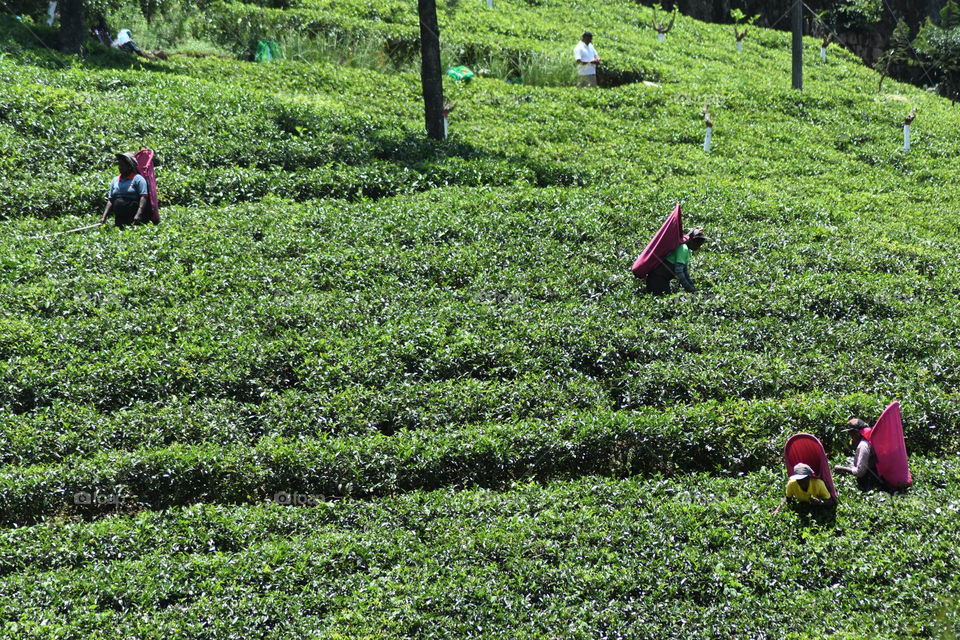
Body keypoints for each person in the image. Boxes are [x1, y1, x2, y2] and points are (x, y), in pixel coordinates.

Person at [645, 228, 708, 294]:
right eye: (698, 243)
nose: (699, 246)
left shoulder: (687, 250)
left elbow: (685, 271)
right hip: (657, 279)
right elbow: (679, 272)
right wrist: (689, 289)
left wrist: (693, 287)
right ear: (691, 241)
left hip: (659, 278)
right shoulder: (683, 248)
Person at [101, 153, 149, 227]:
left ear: (129, 166)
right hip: (119, 218)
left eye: (122, 165)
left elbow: (144, 196)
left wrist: (138, 214)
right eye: (119, 165)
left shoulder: (138, 179)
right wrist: (104, 217)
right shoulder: (115, 180)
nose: (120, 167)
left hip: (133, 217)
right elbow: (110, 200)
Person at [834, 418, 883, 490]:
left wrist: (842, 469)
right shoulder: (869, 440)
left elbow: (860, 472)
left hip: (870, 484)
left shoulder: (863, 445)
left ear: (856, 433)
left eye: (851, 433)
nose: (850, 436)